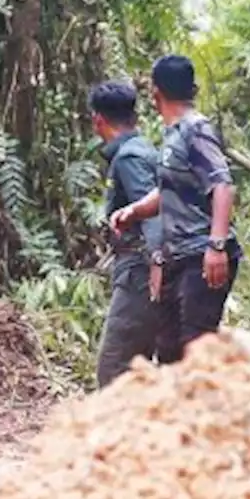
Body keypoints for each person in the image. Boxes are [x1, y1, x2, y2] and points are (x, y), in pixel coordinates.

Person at [109, 54, 242, 365]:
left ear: (155, 93)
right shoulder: (173, 134)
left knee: (195, 350)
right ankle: (179, 411)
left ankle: (214, 409)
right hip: (177, 257)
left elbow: (222, 184)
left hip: (201, 256)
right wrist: (135, 211)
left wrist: (216, 245)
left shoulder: (195, 130)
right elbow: (169, 190)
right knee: (169, 351)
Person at [88, 80, 164, 388]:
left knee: (115, 367)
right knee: (138, 367)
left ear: (98, 120)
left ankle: (121, 434)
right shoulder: (141, 150)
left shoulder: (130, 158)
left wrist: (157, 263)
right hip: (141, 269)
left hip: (139, 272)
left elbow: (153, 213)